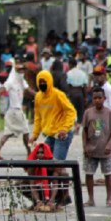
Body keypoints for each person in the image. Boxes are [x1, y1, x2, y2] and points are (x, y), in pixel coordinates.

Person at [30, 70, 77, 206]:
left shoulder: (58, 95)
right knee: (44, 162)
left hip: (62, 134)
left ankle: (64, 196)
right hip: (50, 134)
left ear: (50, 81)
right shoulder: (38, 97)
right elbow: (38, 117)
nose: (43, 84)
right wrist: (34, 135)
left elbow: (71, 111)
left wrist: (65, 128)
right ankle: (51, 196)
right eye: (40, 82)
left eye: (45, 82)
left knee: (57, 165)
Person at [0, 61, 32, 159]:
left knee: (9, 133)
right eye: (20, 71)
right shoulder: (10, 81)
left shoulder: (21, 80)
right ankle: (29, 153)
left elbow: (29, 91)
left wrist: (41, 95)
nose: (22, 72)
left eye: (23, 71)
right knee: (25, 132)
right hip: (15, 111)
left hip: (15, 111)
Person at [82, 87, 111, 207]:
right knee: (89, 173)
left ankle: (109, 198)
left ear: (104, 98)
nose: (97, 100)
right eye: (95, 98)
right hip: (91, 150)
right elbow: (84, 130)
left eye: (100, 98)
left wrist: (109, 144)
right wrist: (85, 146)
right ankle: (90, 199)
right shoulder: (88, 112)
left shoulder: (109, 113)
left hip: (105, 150)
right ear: (92, 99)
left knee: (107, 173)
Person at [23, 143, 53, 211]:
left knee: (63, 180)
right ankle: (37, 202)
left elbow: (56, 185)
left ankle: (57, 203)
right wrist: (38, 201)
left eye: (42, 152)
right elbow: (32, 185)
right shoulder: (32, 165)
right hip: (38, 186)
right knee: (21, 183)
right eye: (38, 152)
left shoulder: (53, 164)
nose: (40, 154)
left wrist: (51, 200)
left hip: (51, 188)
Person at [66, 58, 89, 132]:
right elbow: (85, 86)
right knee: (80, 111)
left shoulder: (68, 73)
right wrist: (85, 97)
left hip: (72, 93)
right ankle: (78, 125)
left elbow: (68, 85)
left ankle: (75, 124)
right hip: (80, 93)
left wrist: (68, 96)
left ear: (70, 64)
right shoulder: (82, 73)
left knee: (72, 110)